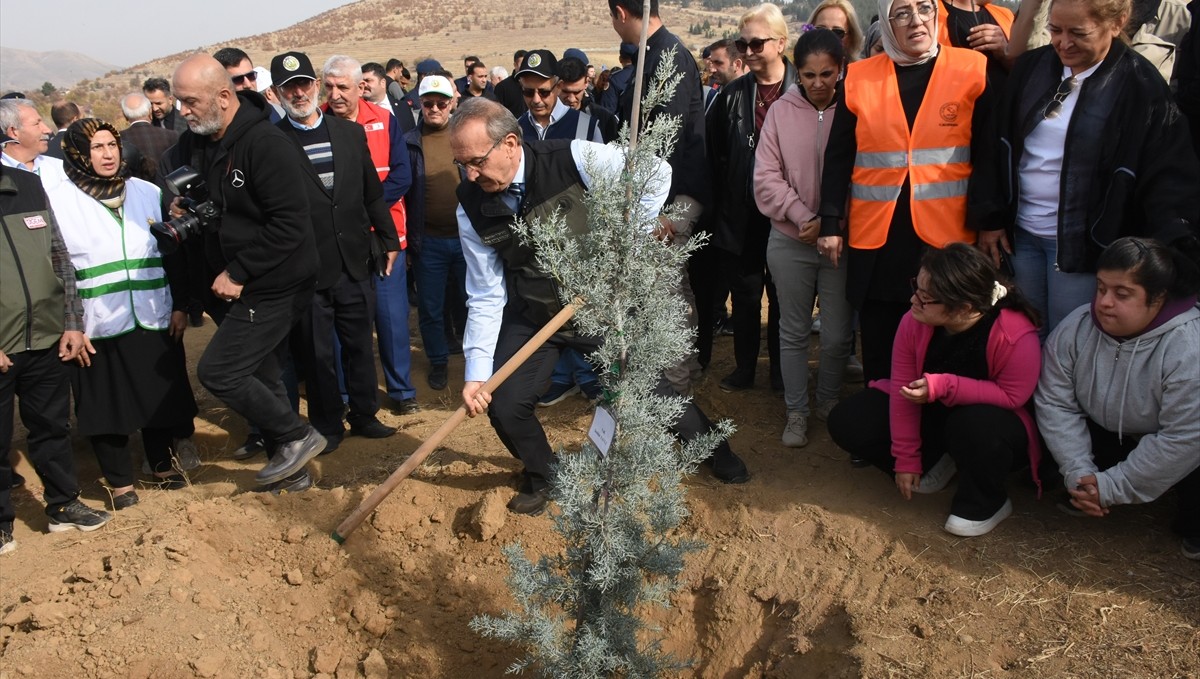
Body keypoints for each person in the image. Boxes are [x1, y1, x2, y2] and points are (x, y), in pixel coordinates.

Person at [452, 99, 749, 515]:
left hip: (600, 307)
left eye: (477, 162)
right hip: (536, 312)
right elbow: (485, 293)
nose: (470, 174)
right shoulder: (471, 204)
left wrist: (628, 239)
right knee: (503, 401)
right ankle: (546, 475)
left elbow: (656, 171)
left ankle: (713, 450)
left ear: (511, 144)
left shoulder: (572, 157)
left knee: (650, 388)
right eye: (461, 164)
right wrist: (477, 373)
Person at [975, 0, 1200, 340]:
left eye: (1078, 33)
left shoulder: (1141, 84)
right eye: (1055, 30)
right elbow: (996, 144)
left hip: (1087, 248)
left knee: (1070, 341)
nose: (1064, 43)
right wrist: (990, 217)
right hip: (1019, 240)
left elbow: (1166, 174)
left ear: (1117, 23)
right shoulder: (1031, 68)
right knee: (1023, 335)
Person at [161, 54, 323, 490]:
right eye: (179, 101)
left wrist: (238, 271)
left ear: (224, 96)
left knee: (219, 371)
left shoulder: (266, 144)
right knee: (263, 376)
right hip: (231, 285)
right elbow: (226, 208)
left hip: (273, 283)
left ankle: (297, 435)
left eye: (190, 101)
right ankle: (292, 474)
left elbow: (290, 223)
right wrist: (185, 207)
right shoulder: (203, 142)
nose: (182, 110)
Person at [818, 0, 993, 383]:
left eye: (925, 8)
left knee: (943, 342)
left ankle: (933, 432)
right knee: (881, 344)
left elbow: (989, 155)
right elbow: (838, 158)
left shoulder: (972, 69)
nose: (916, 20)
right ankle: (882, 428)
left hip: (946, 240)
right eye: (902, 13)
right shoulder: (860, 78)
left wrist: (990, 222)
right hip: (878, 243)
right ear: (886, 22)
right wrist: (830, 221)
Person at [828, 244, 1043, 536]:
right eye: (916, 287)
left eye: (926, 298)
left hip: (991, 426)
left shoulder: (1013, 334)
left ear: (963, 308)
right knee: (849, 419)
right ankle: (935, 464)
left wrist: (944, 386)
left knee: (973, 424)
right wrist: (906, 460)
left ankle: (985, 502)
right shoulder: (913, 321)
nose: (913, 300)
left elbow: (1013, 396)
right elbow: (903, 393)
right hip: (935, 415)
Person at [41, 119, 199, 509]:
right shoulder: (59, 200)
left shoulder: (146, 191)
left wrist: (180, 305)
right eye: (97, 148)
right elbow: (56, 266)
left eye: (111, 144)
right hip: (96, 322)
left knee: (158, 394)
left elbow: (173, 252)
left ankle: (162, 467)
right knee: (105, 405)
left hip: (153, 313)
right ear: (78, 154)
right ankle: (121, 485)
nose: (108, 154)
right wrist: (70, 324)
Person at [272, 51, 401, 462]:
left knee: (360, 343)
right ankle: (328, 425)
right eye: (288, 87)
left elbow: (371, 191)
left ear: (314, 84)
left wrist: (389, 238)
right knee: (316, 352)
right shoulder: (272, 143)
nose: (299, 92)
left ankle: (365, 414)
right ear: (277, 93)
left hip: (354, 260)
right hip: (306, 269)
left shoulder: (348, 134)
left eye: (304, 83)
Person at [1036, 237, 1200, 560]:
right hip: (1110, 426)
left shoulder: (1188, 348)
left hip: (1182, 442)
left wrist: (1113, 487)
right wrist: (1079, 471)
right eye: (1100, 288)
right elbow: (1055, 402)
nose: (1104, 302)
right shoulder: (1076, 327)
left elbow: (1184, 437)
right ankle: (1089, 488)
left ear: (1158, 299)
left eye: (1121, 294)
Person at [1, 154, 112, 551]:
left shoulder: (27, 185)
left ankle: (63, 505)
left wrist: (71, 323)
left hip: (48, 336)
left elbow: (60, 257)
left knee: (51, 427)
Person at [755, 29, 853, 448]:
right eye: (809, 74)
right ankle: (797, 411)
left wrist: (833, 223)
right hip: (789, 241)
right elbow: (765, 178)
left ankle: (829, 401)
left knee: (837, 335)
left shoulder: (855, 110)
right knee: (792, 331)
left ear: (841, 71)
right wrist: (802, 216)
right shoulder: (780, 112)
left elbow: (863, 172)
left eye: (826, 73)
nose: (817, 83)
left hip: (842, 241)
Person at [611, 0, 710, 396]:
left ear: (620, 12)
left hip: (669, 198)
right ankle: (677, 380)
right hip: (665, 193)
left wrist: (655, 210)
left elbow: (663, 139)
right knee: (670, 289)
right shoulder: (655, 54)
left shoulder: (668, 57)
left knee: (666, 295)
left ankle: (675, 390)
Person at [319, 54, 417, 416]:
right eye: (329, 87)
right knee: (343, 323)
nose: (336, 94)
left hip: (387, 236)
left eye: (343, 87)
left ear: (360, 87)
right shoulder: (317, 124)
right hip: (339, 241)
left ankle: (402, 391)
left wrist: (363, 209)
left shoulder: (385, 120)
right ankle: (345, 396)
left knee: (391, 319)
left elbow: (402, 176)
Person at [707, 3, 795, 393]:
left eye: (757, 43)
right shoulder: (729, 97)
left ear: (781, 42)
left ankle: (779, 369)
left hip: (789, 214)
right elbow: (714, 157)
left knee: (783, 295)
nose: (747, 51)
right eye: (743, 44)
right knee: (745, 296)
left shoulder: (803, 91)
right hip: (740, 216)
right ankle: (745, 368)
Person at [404, 75, 468, 393]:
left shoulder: (464, 137)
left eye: (441, 103)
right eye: (428, 102)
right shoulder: (408, 142)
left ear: (451, 103)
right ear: (419, 103)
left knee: (473, 303)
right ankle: (439, 361)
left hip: (466, 239)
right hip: (427, 241)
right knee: (430, 308)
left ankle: (476, 364)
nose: (434, 108)